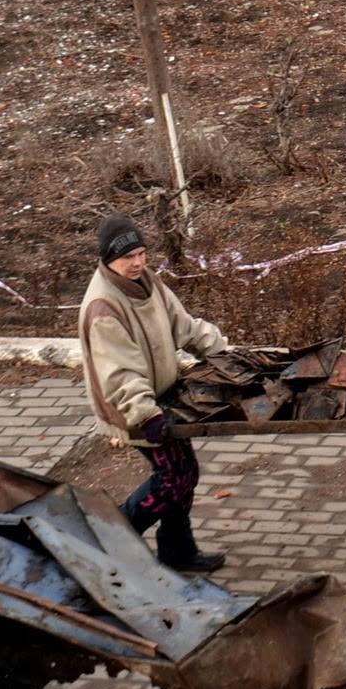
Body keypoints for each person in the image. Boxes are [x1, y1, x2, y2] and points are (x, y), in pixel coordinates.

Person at [78, 213, 234, 572]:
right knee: (172, 480)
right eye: (126, 258)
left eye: (140, 254)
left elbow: (185, 326)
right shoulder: (104, 307)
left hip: (163, 397)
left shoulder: (149, 282)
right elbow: (119, 373)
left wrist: (224, 353)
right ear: (107, 260)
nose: (136, 263)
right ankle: (111, 540)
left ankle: (177, 552)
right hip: (135, 408)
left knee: (184, 475)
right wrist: (146, 414)